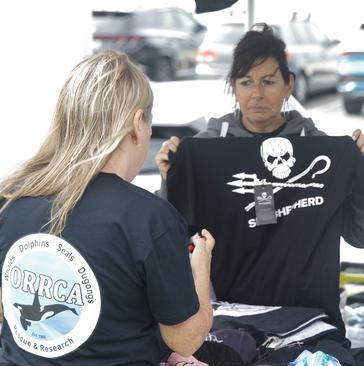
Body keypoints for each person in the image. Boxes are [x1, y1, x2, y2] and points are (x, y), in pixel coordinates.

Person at [154, 25, 364, 327]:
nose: (257, 94)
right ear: (233, 87)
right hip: (233, 319)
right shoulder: (207, 149)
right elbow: (170, 237)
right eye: (246, 82)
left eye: (268, 81)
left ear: (289, 85)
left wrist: (362, 177)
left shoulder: (321, 150)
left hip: (310, 320)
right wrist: (170, 179)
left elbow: (363, 237)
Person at [0, 50, 214, 365]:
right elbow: (184, 339)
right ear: (137, 123)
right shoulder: (150, 218)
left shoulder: (12, 198)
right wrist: (201, 267)